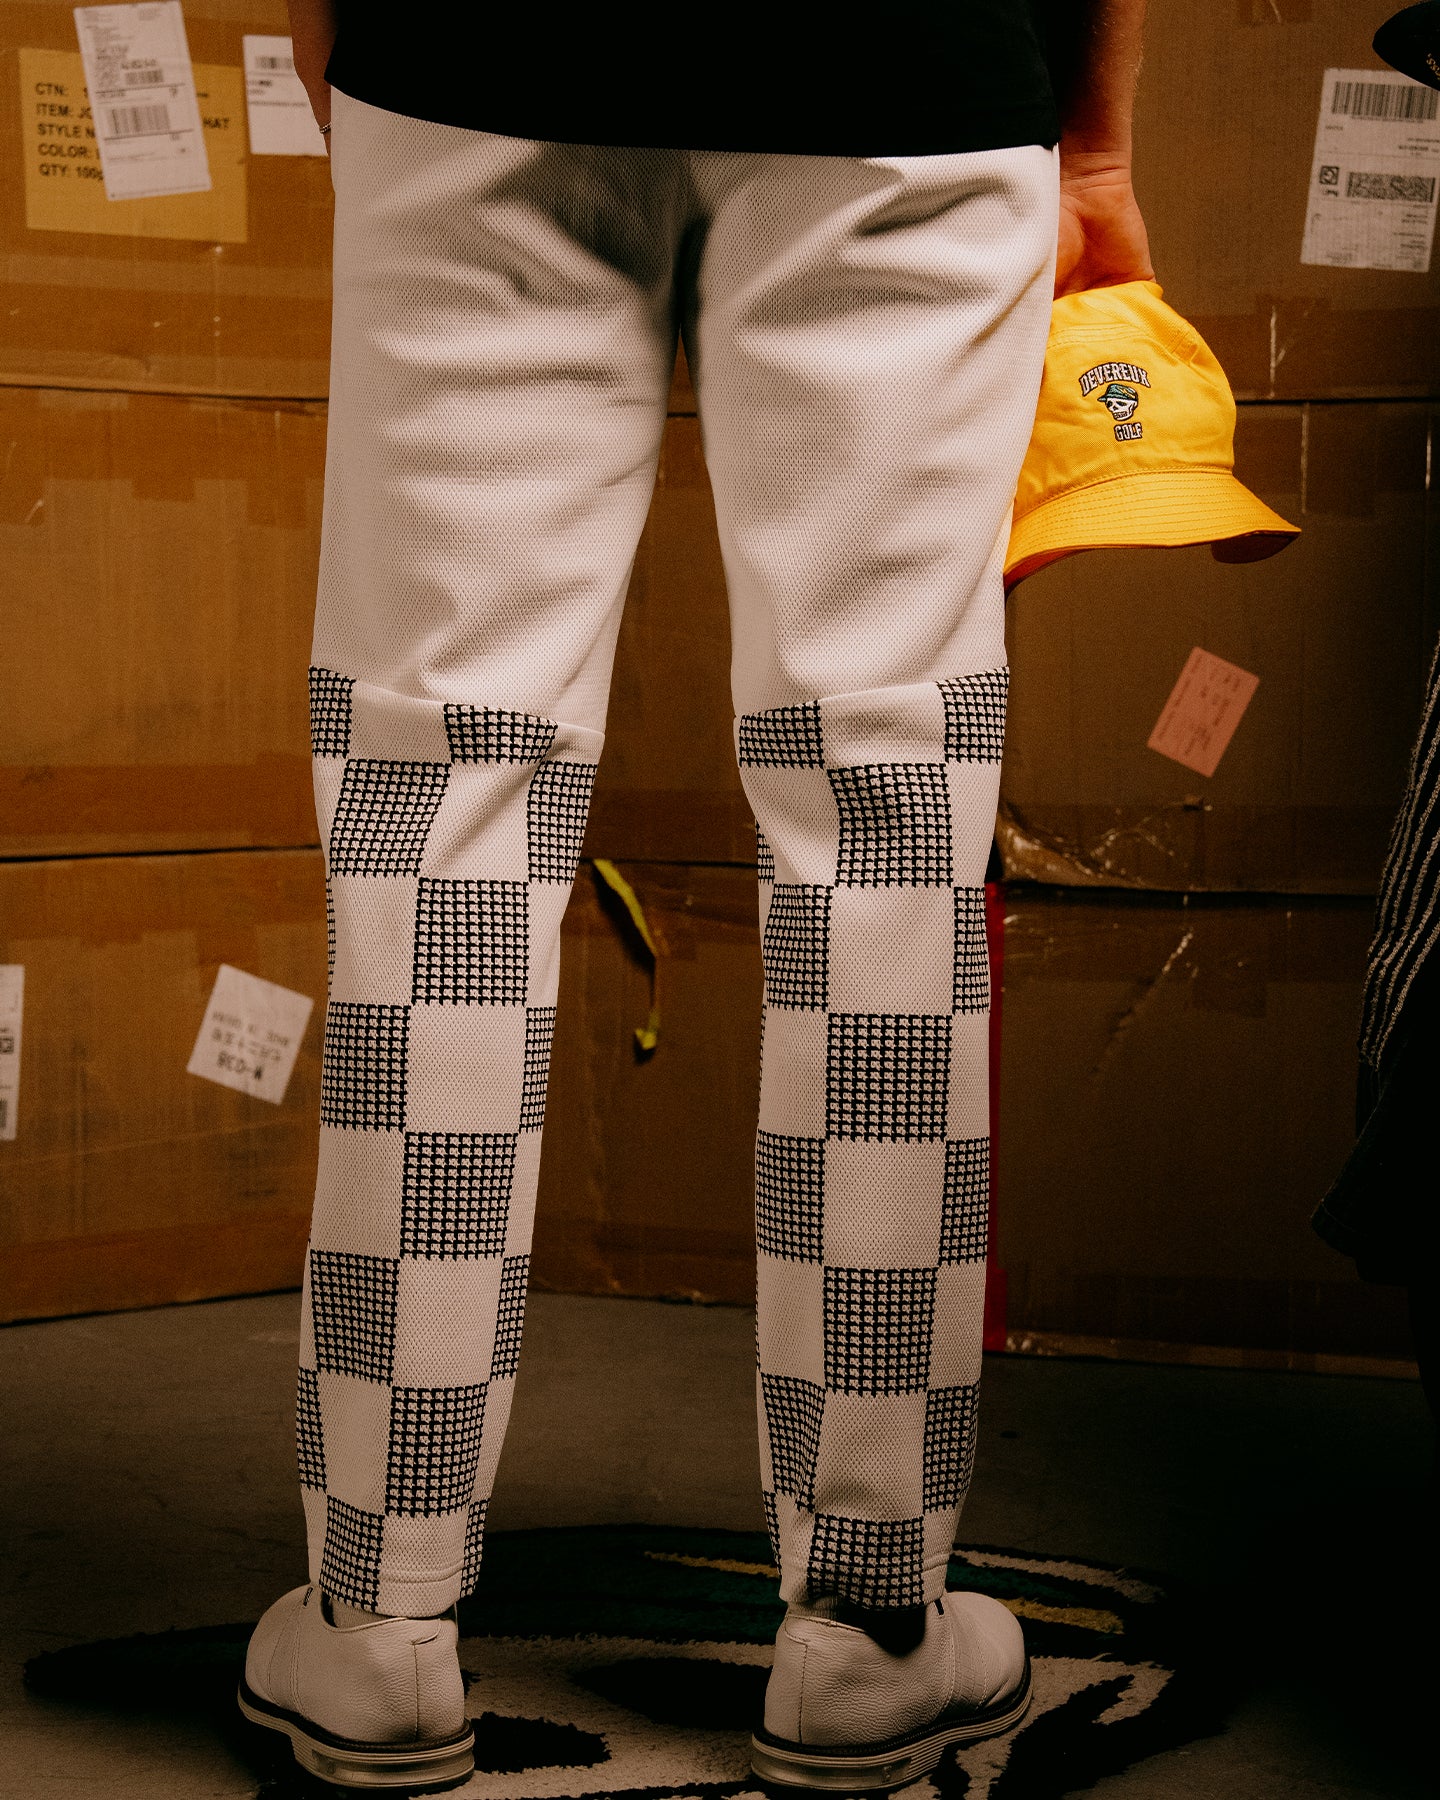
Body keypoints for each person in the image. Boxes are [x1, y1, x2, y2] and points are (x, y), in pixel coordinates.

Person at [238, 3, 1153, 1790]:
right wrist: (1099, 138)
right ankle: (871, 1633)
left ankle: (377, 1625)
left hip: (479, 54)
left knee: (442, 813)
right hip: (915, 67)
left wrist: (348, 32)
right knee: (885, 818)